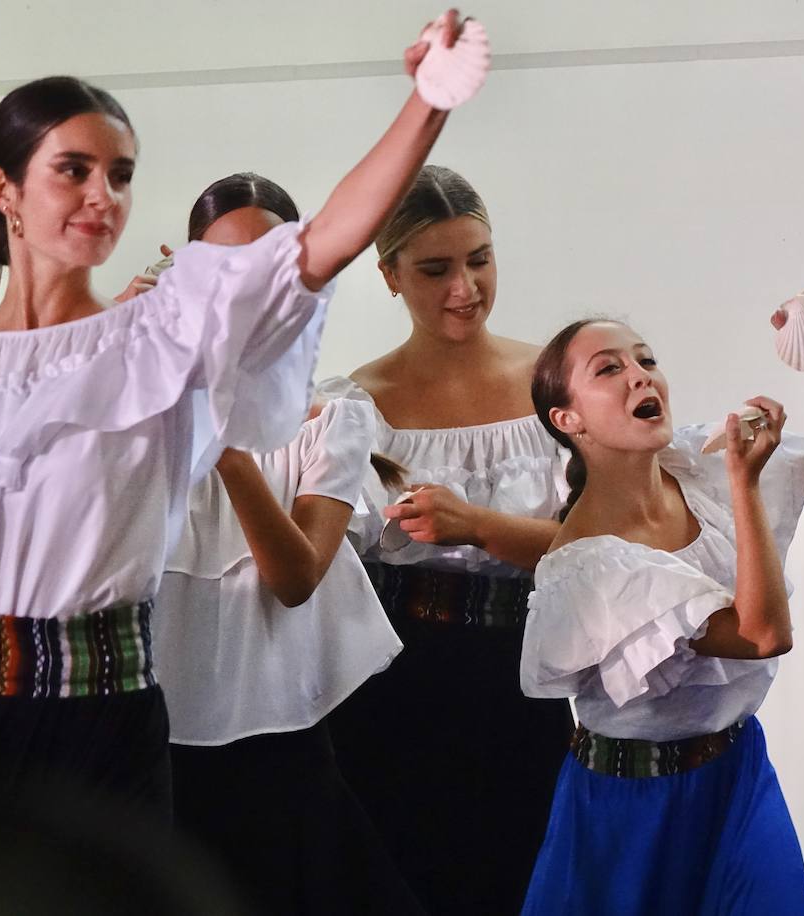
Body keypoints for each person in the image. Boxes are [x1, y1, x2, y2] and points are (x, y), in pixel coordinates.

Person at [0, 10, 477, 819]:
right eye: (74, 170)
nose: (103, 196)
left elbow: (322, 244)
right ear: (4, 188)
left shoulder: (163, 341)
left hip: (100, 719)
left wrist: (427, 101)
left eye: (122, 175)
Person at [519, 296, 804, 914]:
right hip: (631, 809)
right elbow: (762, 634)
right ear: (567, 419)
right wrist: (744, 482)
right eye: (608, 369)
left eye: (646, 359)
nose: (640, 374)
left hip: (736, 773)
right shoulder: (589, 566)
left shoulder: (696, 463)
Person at [150, 173, 422, 914]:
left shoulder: (333, 417)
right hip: (147, 737)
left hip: (279, 736)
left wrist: (228, 447)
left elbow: (296, 576)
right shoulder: (147, 400)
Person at [321, 165, 575, 914]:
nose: (464, 286)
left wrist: (482, 528)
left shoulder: (554, 382)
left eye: (479, 259)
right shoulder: (357, 404)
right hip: (395, 677)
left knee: (523, 876)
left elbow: (608, 539)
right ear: (390, 275)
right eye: (435, 269)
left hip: (524, 669)